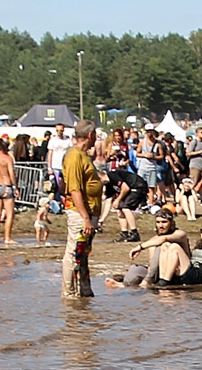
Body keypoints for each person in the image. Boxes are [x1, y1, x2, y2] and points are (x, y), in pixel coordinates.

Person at [61, 121, 103, 298]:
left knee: (84, 254)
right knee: (74, 253)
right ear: (90, 135)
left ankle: (84, 292)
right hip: (80, 214)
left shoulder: (84, 155)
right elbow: (74, 189)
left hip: (89, 212)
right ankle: (70, 293)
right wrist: (85, 218)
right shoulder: (74, 156)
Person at [98, 167, 148, 242]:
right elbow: (108, 202)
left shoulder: (112, 175)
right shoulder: (109, 186)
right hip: (129, 189)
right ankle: (124, 233)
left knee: (125, 208)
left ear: (100, 177)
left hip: (137, 186)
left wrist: (118, 200)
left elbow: (125, 188)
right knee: (119, 210)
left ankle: (134, 233)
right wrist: (102, 219)